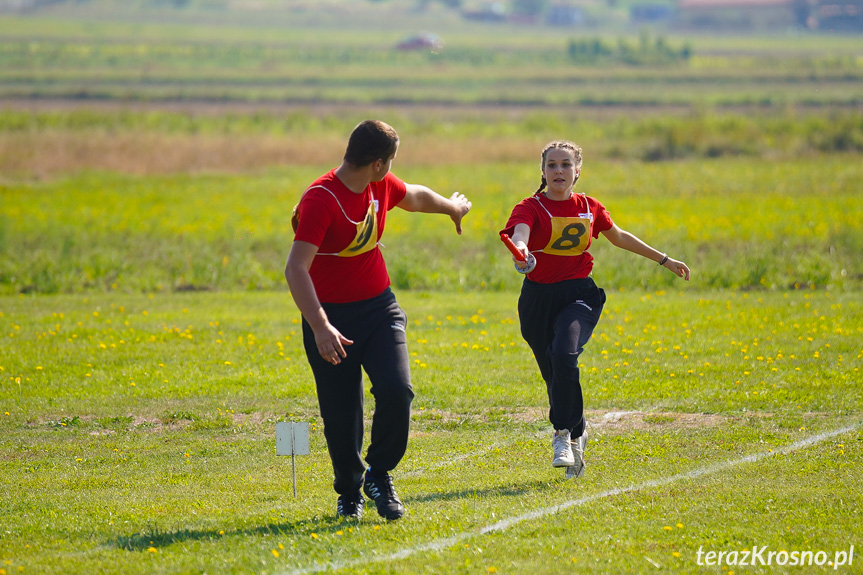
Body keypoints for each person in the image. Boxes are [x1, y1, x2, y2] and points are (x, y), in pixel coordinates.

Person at [285, 120, 471, 520]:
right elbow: (295, 269)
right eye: (392, 160)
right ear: (377, 162)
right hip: (330, 317)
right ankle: (349, 492)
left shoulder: (379, 185)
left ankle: (379, 474)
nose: (392, 168)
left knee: (397, 390)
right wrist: (320, 326)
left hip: (379, 308)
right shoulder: (321, 199)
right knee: (340, 414)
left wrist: (452, 208)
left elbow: (417, 197)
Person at [500, 140, 689, 479]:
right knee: (554, 375)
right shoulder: (530, 206)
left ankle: (563, 435)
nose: (559, 170)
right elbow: (521, 233)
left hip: (579, 295)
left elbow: (618, 236)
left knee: (564, 354)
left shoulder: (589, 206)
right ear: (542, 171)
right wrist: (522, 251)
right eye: (552, 165)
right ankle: (580, 429)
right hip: (537, 299)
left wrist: (664, 260)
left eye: (566, 165)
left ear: (577, 171)